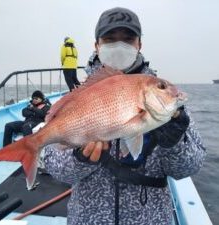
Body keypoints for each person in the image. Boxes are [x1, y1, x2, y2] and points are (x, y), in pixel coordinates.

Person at [43, 7, 206, 225]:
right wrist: (80, 159)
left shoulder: (162, 95)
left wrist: (175, 142)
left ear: (139, 44)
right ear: (97, 45)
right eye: (110, 39)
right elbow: (57, 170)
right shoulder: (79, 97)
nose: (119, 46)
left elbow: (189, 167)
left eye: (128, 39)